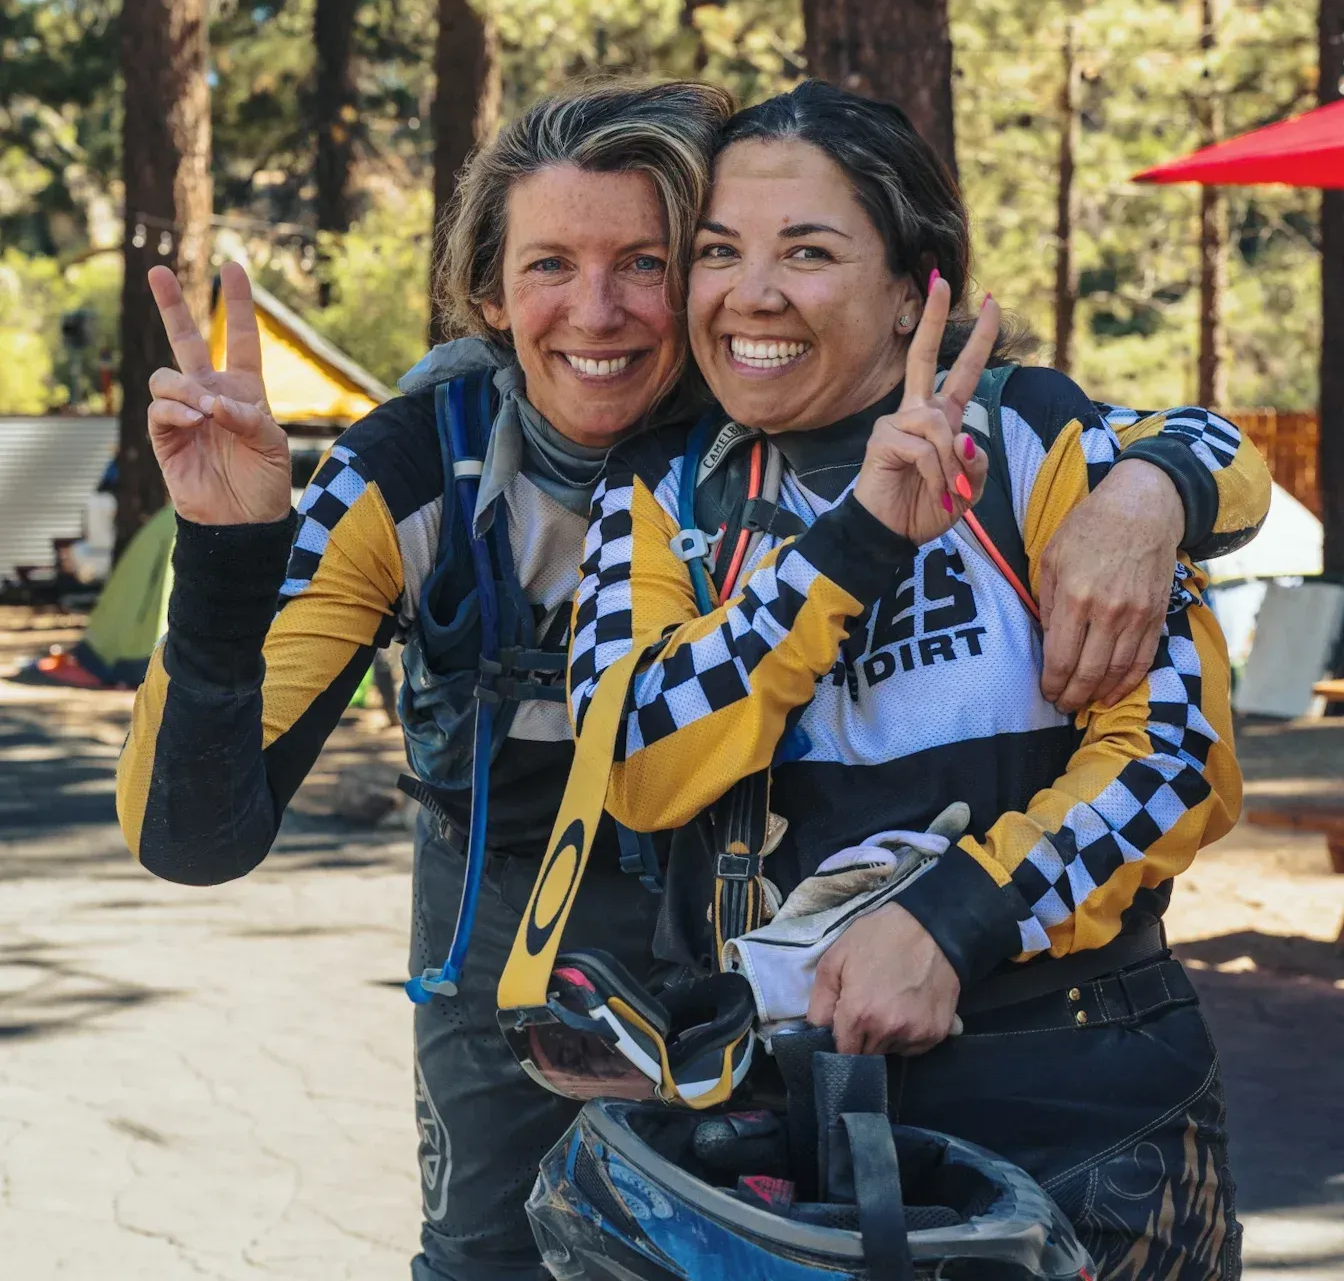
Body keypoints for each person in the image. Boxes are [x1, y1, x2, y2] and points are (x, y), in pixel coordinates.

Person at [117, 77, 1262, 1281]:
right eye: (550, 265)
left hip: (894, 1024)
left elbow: (1172, 694)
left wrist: (1157, 489)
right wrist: (228, 549)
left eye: (651, 262)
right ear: (488, 298)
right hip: (545, 956)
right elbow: (196, 833)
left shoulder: (995, 437)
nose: (599, 315)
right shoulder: (465, 473)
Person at [568, 81, 1267, 1281]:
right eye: (721, 251)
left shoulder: (1040, 444)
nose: (753, 292)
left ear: (914, 292)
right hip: (778, 1135)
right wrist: (856, 548)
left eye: (810, 251)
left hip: (1084, 1111)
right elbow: (632, 760)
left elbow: (1171, 760)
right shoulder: (662, 497)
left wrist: (953, 920)